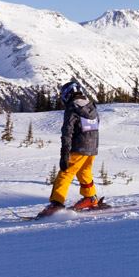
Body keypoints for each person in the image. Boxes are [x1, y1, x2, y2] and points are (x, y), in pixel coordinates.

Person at [38, 79, 105, 217]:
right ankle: (90, 198)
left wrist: (64, 154)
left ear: (67, 95)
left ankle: (56, 204)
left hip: (79, 148)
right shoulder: (91, 106)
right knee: (84, 172)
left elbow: (67, 132)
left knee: (65, 173)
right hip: (92, 148)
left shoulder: (72, 108)